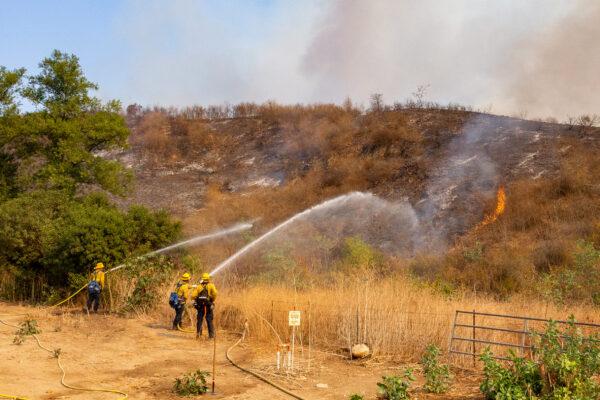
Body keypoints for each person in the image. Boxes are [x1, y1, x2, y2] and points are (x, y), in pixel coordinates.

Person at [191, 273, 218, 339]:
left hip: (200, 306)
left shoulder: (198, 286)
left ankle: (198, 335)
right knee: (209, 320)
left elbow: (193, 296)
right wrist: (212, 300)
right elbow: (215, 293)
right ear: (208, 279)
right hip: (208, 305)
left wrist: (196, 300)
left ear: (202, 279)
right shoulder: (211, 285)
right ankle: (211, 336)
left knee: (199, 320)